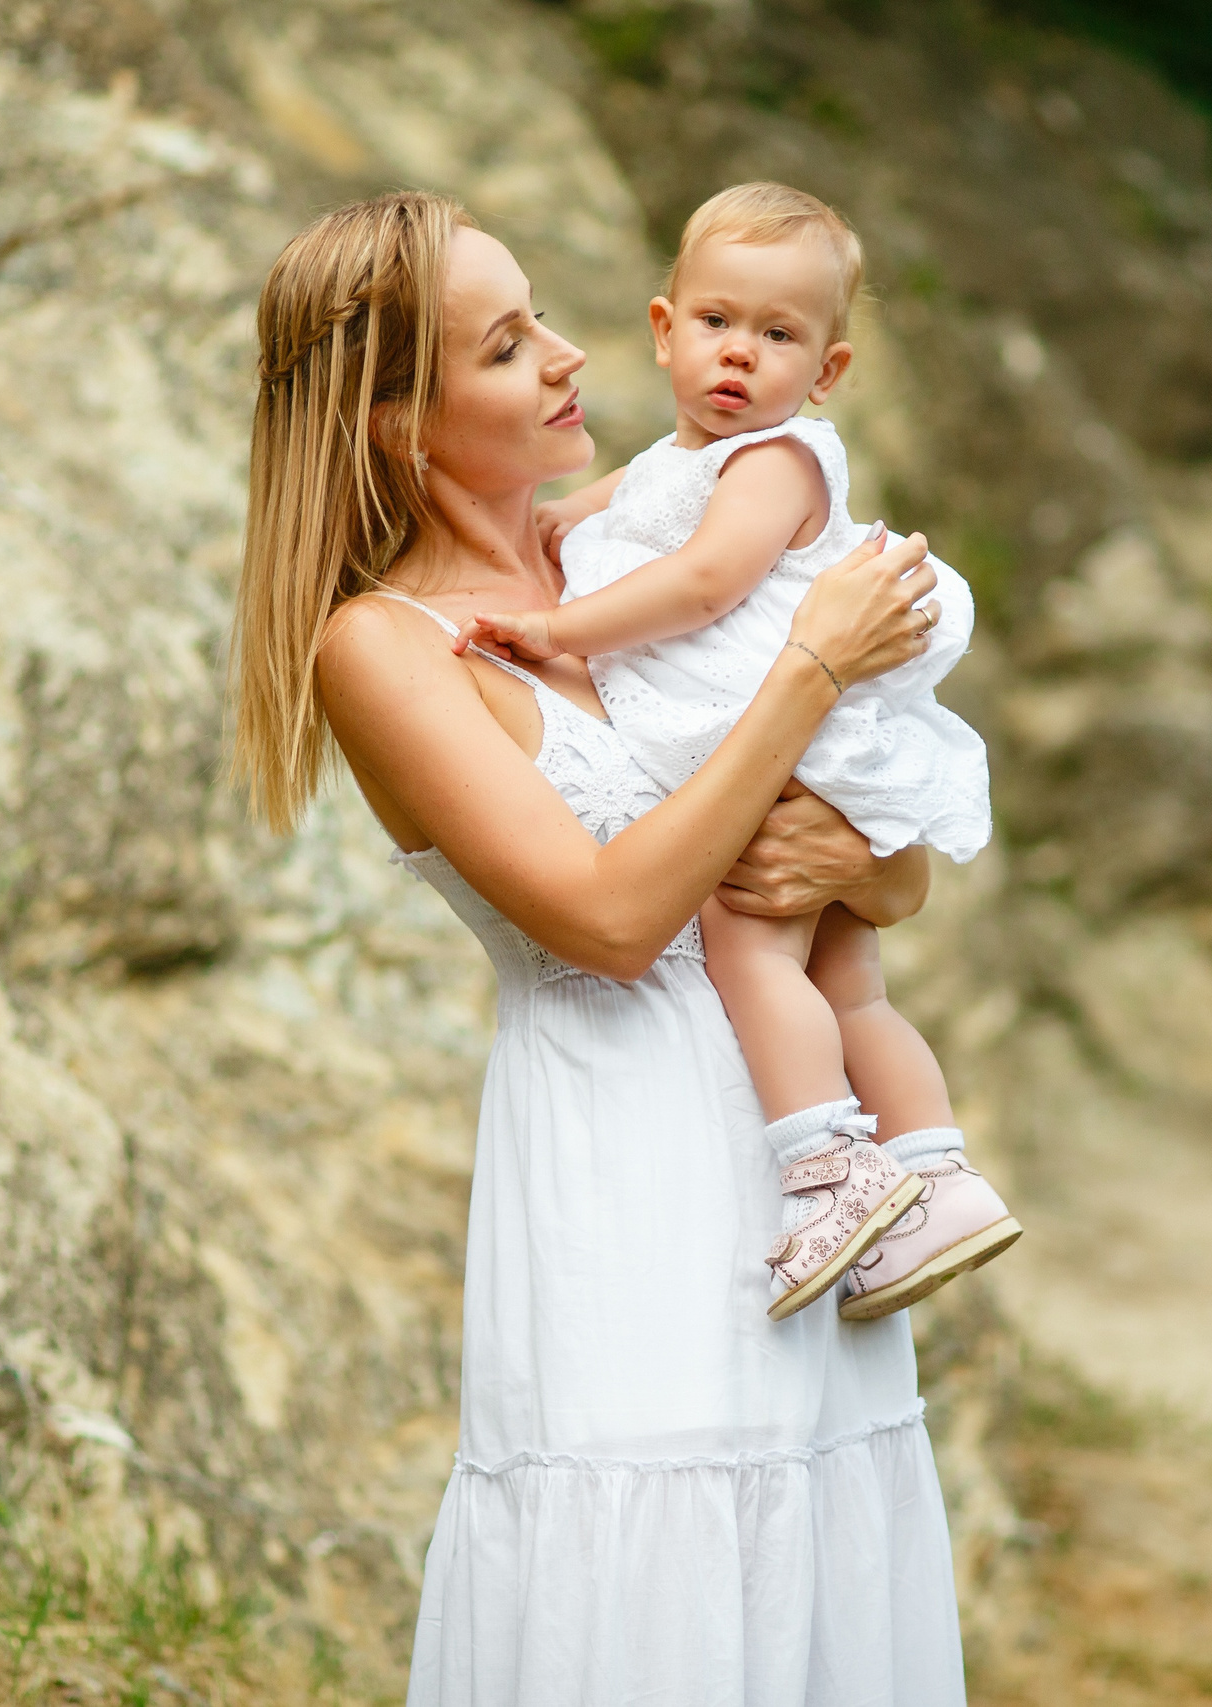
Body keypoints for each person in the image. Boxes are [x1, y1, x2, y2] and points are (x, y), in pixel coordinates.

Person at [226, 190, 966, 1704]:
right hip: (624, 1166)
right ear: (395, 424)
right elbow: (617, 918)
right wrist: (813, 656)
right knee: (652, 1585)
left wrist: (880, 872)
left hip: (800, 1150)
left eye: (543, 316)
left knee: (814, 1555)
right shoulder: (388, 645)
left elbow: (864, 860)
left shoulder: (637, 558)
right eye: (506, 347)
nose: (570, 356)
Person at [455, 183, 1020, 1325]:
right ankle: (941, 1180)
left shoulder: (776, 464)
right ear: (664, 330)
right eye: (717, 323)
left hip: (790, 752)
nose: (740, 357)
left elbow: (704, 581)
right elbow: (596, 517)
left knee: (747, 946)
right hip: (797, 749)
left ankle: (833, 1168)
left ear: (827, 374)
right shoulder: (680, 462)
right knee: (849, 984)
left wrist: (561, 629)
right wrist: (552, 534)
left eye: (779, 337)